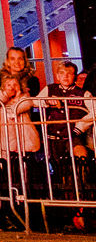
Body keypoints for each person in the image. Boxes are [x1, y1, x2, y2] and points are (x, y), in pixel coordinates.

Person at [33, 58, 95, 218]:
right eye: (62, 73)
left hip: (72, 136)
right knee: (57, 173)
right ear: (57, 75)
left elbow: (94, 111)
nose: (66, 76)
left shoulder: (83, 94)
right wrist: (47, 102)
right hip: (52, 137)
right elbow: (33, 102)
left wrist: (80, 127)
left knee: (81, 158)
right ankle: (62, 211)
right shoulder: (50, 89)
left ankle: (81, 202)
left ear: (75, 76)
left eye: (70, 73)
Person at [0, 66, 42, 198]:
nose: (11, 87)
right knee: (6, 166)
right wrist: (4, 95)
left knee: (23, 167)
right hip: (5, 137)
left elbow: (17, 109)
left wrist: (13, 99)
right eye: (8, 85)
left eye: (14, 84)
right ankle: (9, 192)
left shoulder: (25, 97)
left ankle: (24, 193)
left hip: (22, 136)